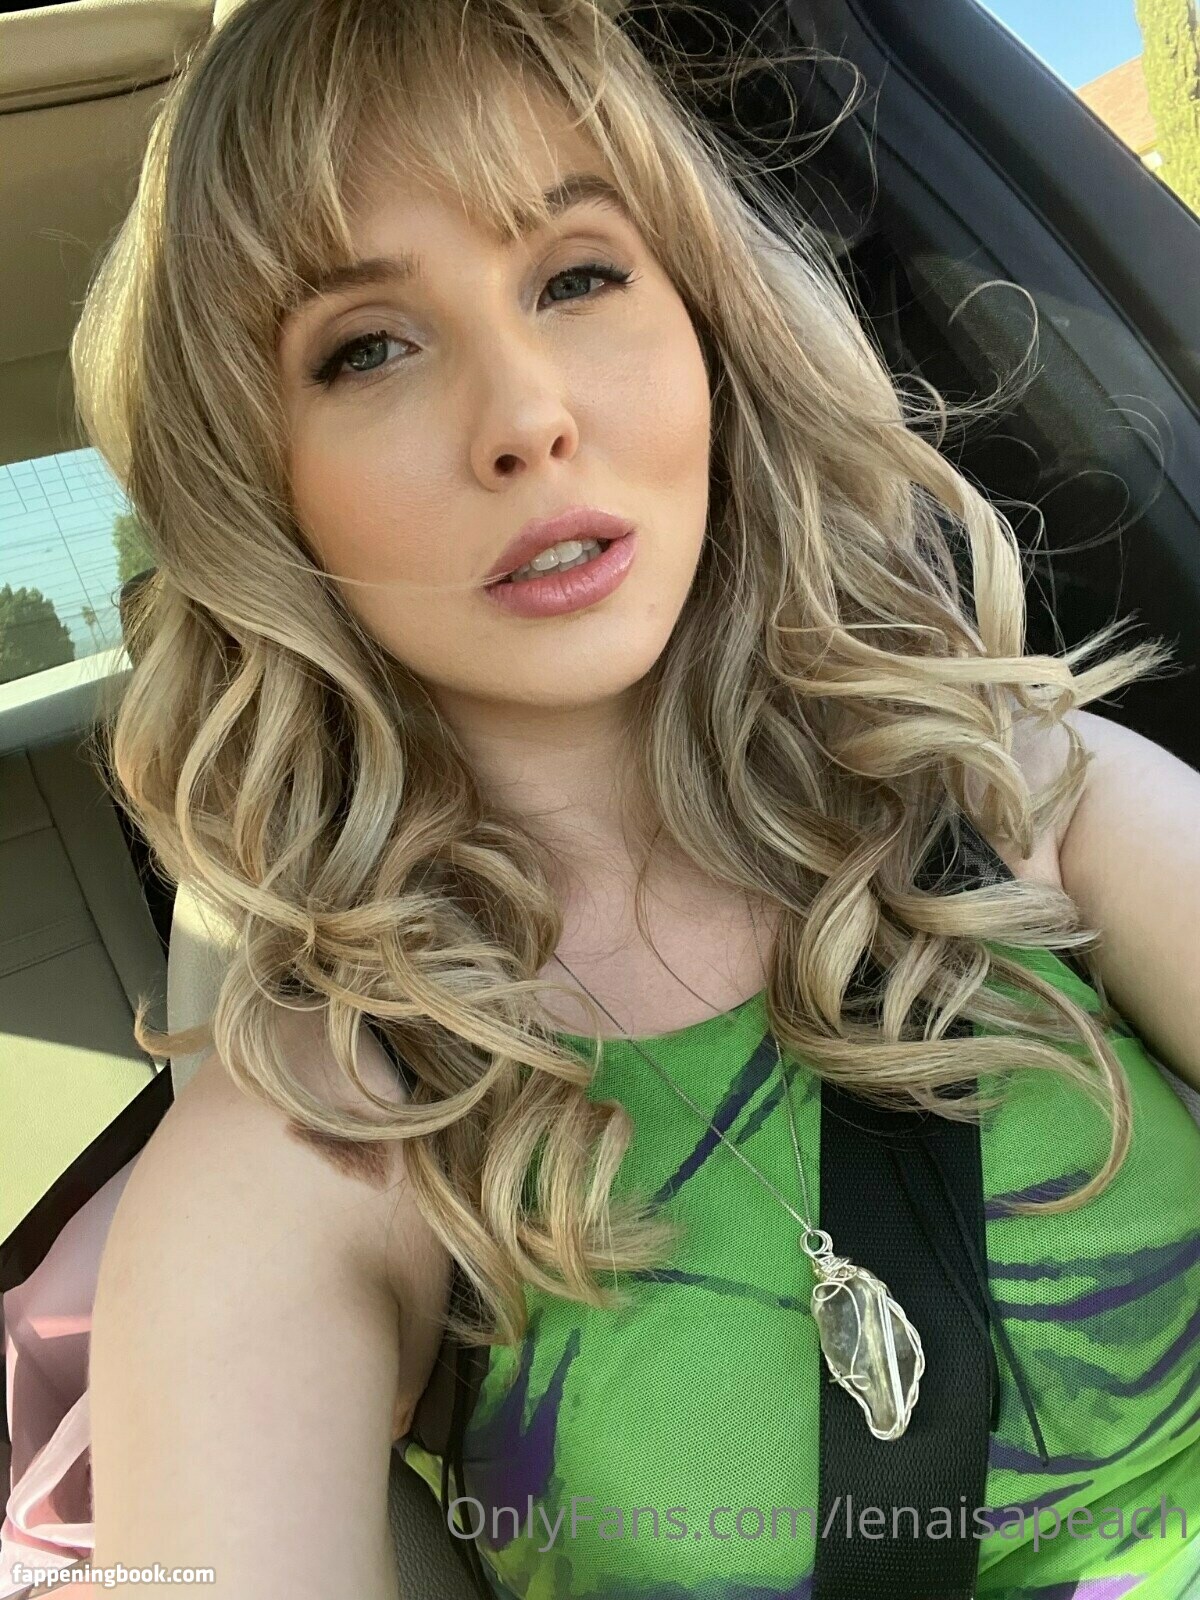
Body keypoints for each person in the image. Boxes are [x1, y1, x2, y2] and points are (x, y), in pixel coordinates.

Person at [35, 0, 1200, 1594]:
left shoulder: (1023, 794)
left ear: (706, 327)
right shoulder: (309, 1156)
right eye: (367, 348)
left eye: (578, 276)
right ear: (259, 491)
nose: (528, 417)